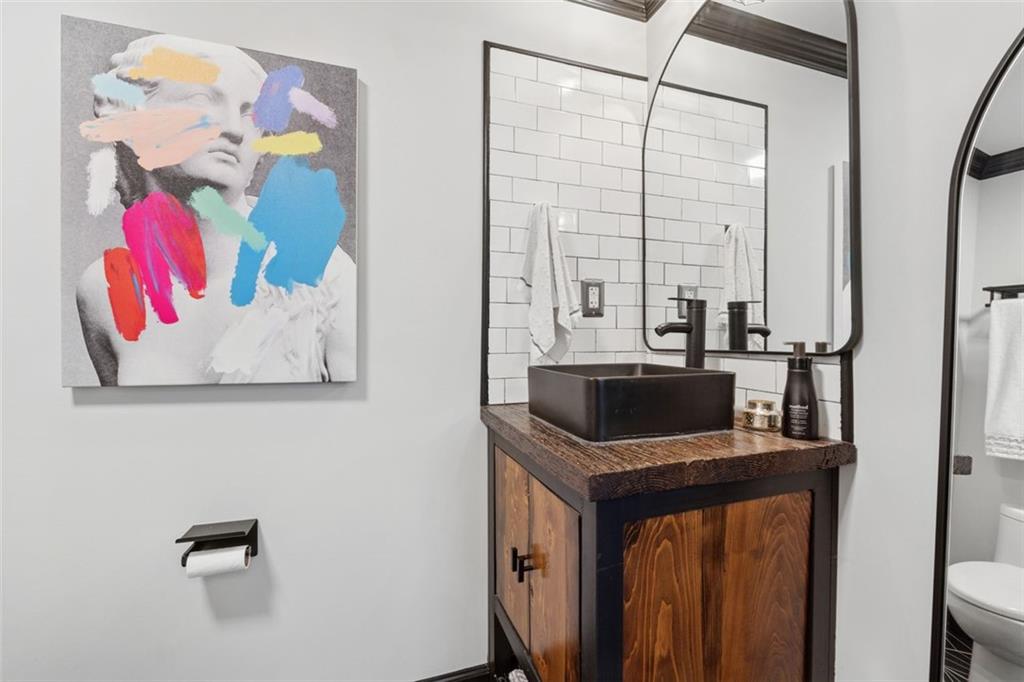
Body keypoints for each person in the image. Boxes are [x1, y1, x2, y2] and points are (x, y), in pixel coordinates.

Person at [76, 34, 356, 386]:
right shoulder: (104, 288)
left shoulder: (325, 277)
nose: (235, 129)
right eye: (202, 99)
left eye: (250, 114)